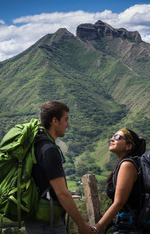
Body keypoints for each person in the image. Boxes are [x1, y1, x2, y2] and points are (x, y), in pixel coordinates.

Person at [25, 100, 95, 234]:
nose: (68, 124)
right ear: (54, 121)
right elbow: (62, 193)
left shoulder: (37, 144)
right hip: (48, 221)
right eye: (65, 120)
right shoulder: (48, 149)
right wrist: (81, 224)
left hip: (36, 217)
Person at [92, 128, 146, 234]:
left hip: (131, 229)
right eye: (113, 136)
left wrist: (96, 228)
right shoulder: (130, 163)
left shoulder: (128, 165)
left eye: (117, 137)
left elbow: (119, 202)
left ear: (128, 146)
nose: (112, 139)